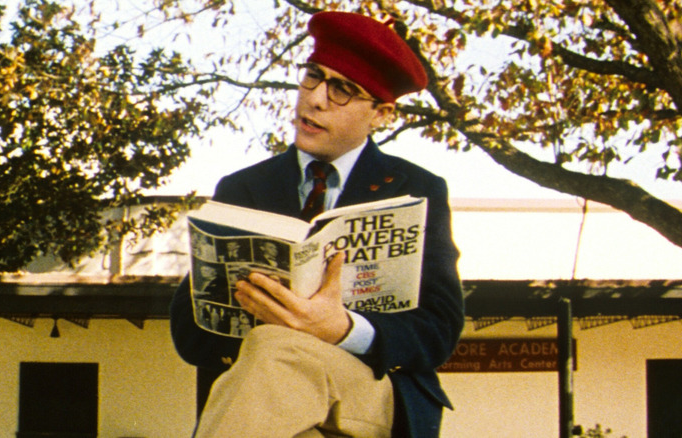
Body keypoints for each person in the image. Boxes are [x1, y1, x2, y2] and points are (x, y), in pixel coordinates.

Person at [170, 10, 464, 438]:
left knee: (277, 348)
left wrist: (341, 328)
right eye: (313, 75)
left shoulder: (417, 189)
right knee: (273, 348)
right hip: (270, 404)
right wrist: (268, 312)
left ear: (381, 114)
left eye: (342, 89)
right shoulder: (243, 187)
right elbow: (189, 333)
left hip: (369, 393)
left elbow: (438, 331)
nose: (315, 98)